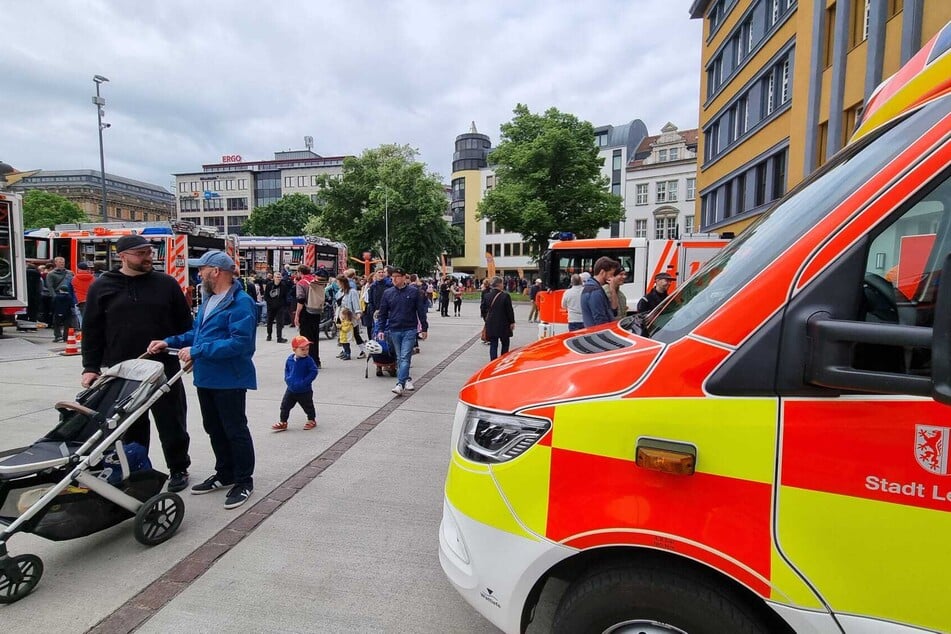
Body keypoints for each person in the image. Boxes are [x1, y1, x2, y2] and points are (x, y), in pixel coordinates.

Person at [82, 234, 193, 493]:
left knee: (172, 420)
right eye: (141, 253)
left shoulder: (166, 284)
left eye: (149, 252)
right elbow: (92, 329)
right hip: (123, 369)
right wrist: (90, 367)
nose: (148, 258)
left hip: (163, 366)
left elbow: (185, 324)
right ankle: (140, 469)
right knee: (131, 424)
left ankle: (179, 467)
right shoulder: (102, 286)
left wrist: (189, 350)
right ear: (122, 256)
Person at [148, 250, 257, 510]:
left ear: (216, 271)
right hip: (206, 377)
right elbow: (197, 334)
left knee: (235, 429)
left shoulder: (240, 302)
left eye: (202, 269)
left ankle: (244, 480)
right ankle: (225, 472)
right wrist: (169, 342)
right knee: (214, 428)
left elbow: (241, 344)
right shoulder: (210, 299)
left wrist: (198, 351)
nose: (199, 274)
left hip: (230, 378)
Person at [377, 267, 429, 396]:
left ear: (404, 277)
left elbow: (420, 311)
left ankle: (400, 384)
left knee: (405, 356)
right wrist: (380, 329)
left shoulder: (413, 292)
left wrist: (424, 327)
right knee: (400, 357)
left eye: (397, 277)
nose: (394, 279)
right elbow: (382, 313)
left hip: (409, 329)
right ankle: (407, 379)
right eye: (392, 277)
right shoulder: (388, 293)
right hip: (394, 329)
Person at [272, 335, 318, 432]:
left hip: (304, 390)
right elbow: (287, 369)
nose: (305, 351)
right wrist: (287, 378)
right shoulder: (290, 359)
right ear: (294, 350)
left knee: (308, 406)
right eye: (302, 349)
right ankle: (283, 422)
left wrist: (305, 382)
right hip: (291, 389)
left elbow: (313, 371)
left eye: (307, 349)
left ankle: (311, 419)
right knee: (285, 405)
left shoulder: (308, 360)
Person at [293, 264, 323, 369]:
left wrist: (297, 315)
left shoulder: (301, 283)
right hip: (316, 311)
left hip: (306, 312)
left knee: (306, 338)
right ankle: (316, 360)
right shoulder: (315, 280)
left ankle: (307, 362)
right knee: (315, 337)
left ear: (300, 272)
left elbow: (300, 300)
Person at [481, 276, 515, 360]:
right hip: (504, 324)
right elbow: (509, 310)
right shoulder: (505, 296)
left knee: (493, 344)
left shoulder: (487, 296)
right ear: (499, 284)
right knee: (505, 343)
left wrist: (486, 319)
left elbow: (482, 309)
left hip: (491, 324)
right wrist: (512, 322)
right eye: (502, 283)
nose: (503, 285)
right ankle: (503, 361)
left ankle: (493, 362)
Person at [581, 257, 620, 328]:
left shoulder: (594, 288)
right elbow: (600, 319)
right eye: (611, 274)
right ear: (602, 272)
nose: (612, 278)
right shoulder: (595, 291)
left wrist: (612, 290)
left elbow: (614, 311)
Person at [336, 275, 365, 357]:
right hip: (342, 315)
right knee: (343, 333)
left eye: (338, 282)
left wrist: (358, 313)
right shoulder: (340, 292)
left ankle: (362, 350)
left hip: (350, 315)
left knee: (355, 333)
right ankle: (345, 350)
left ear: (342, 282)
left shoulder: (352, 292)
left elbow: (356, 303)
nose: (337, 284)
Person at [264, 271, 291, 343]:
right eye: (277, 277)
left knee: (280, 322)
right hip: (271, 306)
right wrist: (270, 303)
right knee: (269, 321)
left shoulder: (283, 285)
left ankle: (279, 337)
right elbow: (266, 296)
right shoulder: (269, 285)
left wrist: (284, 305)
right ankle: (269, 335)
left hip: (280, 307)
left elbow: (285, 296)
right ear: (273, 278)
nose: (278, 279)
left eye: (280, 277)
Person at [72, 261, 95, 328]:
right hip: (90, 300)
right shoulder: (93, 278)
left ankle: (82, 332)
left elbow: (72, 289)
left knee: (79, 317)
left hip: (79, 300)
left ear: (78, 268)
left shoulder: (74, 278)